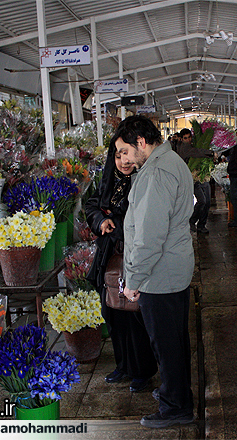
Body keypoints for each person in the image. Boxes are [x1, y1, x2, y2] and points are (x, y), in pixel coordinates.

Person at [114, 115, 195, 429]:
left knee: (166, 342)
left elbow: (149, 236)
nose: (125, 158)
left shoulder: (156, 173)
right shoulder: (167, 162)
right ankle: (175, 394)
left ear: (141, 143)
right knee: (173, 339)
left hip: (160, 273)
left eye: (126, 151)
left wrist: (133, 280)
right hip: (171, 268)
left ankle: (176, 406)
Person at [85, 138, 158, 394]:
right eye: (117, 156)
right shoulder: (108, 181)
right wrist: (101, 220)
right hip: (111, 259)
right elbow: (91, 205)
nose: (123, 161)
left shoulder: (144, 179)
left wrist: (112, 218)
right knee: (113, 312)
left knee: (136, 315)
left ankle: (142, 371)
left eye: (126, 154)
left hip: (135, 257)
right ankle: (123, 365)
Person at [175, 128, 214, 234]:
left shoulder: (196, 144)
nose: (187, 140)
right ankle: (192, 221)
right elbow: (195, 152)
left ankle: (202, 225)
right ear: (182, 139)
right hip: (192, 179)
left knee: (207, 202)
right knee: (202, 201)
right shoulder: (183, 148)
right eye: (185, 138)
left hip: (203, 176)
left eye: (189, 137)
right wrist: (210, 153)